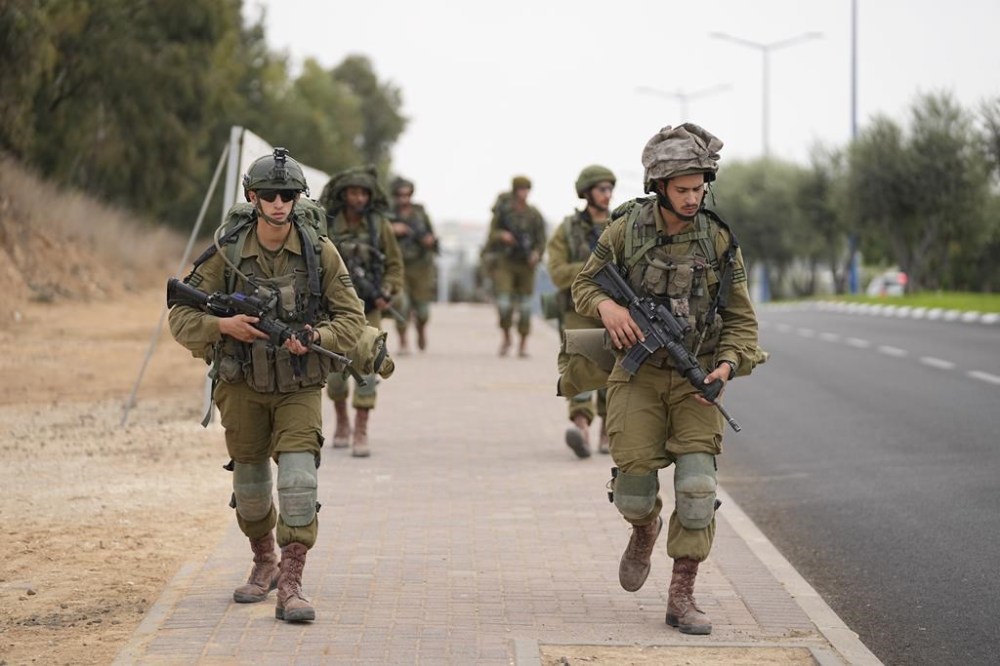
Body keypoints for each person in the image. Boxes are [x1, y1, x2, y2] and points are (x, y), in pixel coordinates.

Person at [571, 124, 761, 635]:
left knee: (698, 490)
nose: (693, 198)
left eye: (700, 188)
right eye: (683, 190)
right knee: (634, 489)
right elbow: (584, 284)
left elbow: (742, 321)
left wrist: (727, 366)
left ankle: (682, 596)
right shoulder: (625, 231)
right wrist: (608, 307)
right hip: (639, 376)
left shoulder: (719, 239)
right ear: (659, 187)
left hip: (697, 378)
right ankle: (644, 527)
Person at [168, 148, 367, 623]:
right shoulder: (228, 250)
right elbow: (180, 314)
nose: (279, 204)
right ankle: (264, 562)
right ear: (253, 198)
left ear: (299, 200)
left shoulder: (320, 252)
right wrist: (224, 327)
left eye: (289, 196)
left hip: (298, 384)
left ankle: (292, 585)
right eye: (271, 195)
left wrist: (316, 336)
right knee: (252, 486)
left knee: (298, 481)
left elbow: (353, 319)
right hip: (242, 385)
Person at [319, 165, 404, 458]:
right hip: (332, 308)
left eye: (363, 193)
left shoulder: (380, 227)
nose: (358, 198)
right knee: (334, 369)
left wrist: (388, 292)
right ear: (344, 195)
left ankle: (361, 427)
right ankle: (341, 419)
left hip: (369, 308)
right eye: (353, 192)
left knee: (368, 366)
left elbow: (394, 267)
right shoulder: (327, 224)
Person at [546, 165, 616, 458]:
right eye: (601, 189)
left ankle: (607, 434)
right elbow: (557, 271)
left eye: (610, 188)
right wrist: (591, 269)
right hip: (578, 310)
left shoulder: (621, 225)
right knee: (580, 368)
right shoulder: (568, 229)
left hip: (615, 310)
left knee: (616, 373)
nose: (607, 194)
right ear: (587, 192)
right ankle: (582, 430)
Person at [483, 175, 547, 357]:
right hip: (506, 262)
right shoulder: (504, 213)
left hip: (526, 265)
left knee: (526, 307)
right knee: (504, 304)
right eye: (521, 189)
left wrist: (536, 254)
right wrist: (503, 235)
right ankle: (506, 336)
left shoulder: (534, 214)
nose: (524, 193)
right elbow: (492, 234)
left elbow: (542, 240)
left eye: (526, 189)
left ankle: (523, 344)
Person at [388, 176, 438, 353]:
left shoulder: (420, 213)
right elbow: (377, 232)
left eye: (407, 195)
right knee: (401, 303)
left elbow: (432, 237)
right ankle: (403, 342)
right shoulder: (388, 213)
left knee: (423, 310)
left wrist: (428, 241)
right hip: (397, 266)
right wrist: (392, 229)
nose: (404, 199)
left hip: (421, 267)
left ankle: (421, 328)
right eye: (400, 195)